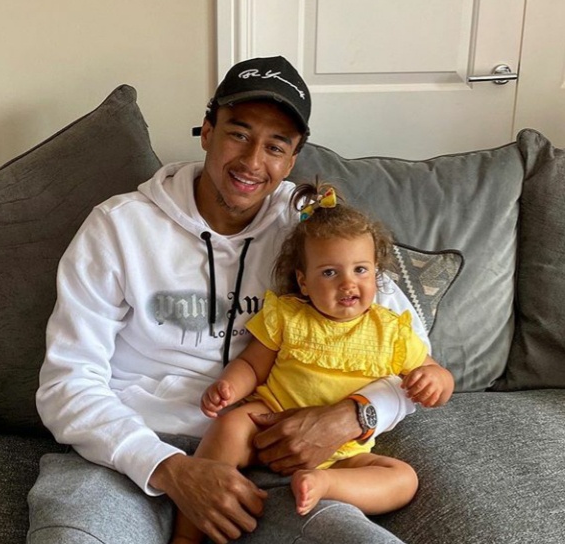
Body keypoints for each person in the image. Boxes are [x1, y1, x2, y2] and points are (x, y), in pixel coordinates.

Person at [31, 56, 430, 544]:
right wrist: (169, 468)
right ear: (207, 131)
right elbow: (66, 382)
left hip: (273, 453)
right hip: (129, 450)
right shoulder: (119, 227)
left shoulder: (314, 231)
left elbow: (406, 349)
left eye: (275, 146)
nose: (252, 162)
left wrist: (354, 415)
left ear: (292, 159)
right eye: (239, 134)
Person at [170, 183, 454, 544]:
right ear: (303, 282)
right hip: (268, 421)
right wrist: (228, 386)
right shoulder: (288, 316)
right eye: (330, 273)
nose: (348, 283)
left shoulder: (392, 331)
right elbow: (252, 366)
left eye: (361, 270)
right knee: (229, 427)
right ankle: (187, 535)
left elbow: (436, 373)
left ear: (376, 274)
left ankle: (325, 483)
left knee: (403, 480)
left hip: (344, 451)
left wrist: (435, 381)